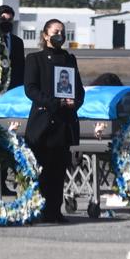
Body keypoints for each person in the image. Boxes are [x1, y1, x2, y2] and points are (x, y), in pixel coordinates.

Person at [24, 19, 84, 224]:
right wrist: (53, 102)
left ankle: (54, 211)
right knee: (41, 168)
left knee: (59, 170)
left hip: (64, 123)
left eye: (63, 31)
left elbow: (79, 89)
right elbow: (30, 89)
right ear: (45, 35)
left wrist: (73, 102)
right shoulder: (35, 59)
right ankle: (38, 209)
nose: (60, 35)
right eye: (56, 31)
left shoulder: (69, 59)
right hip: (43, 122)